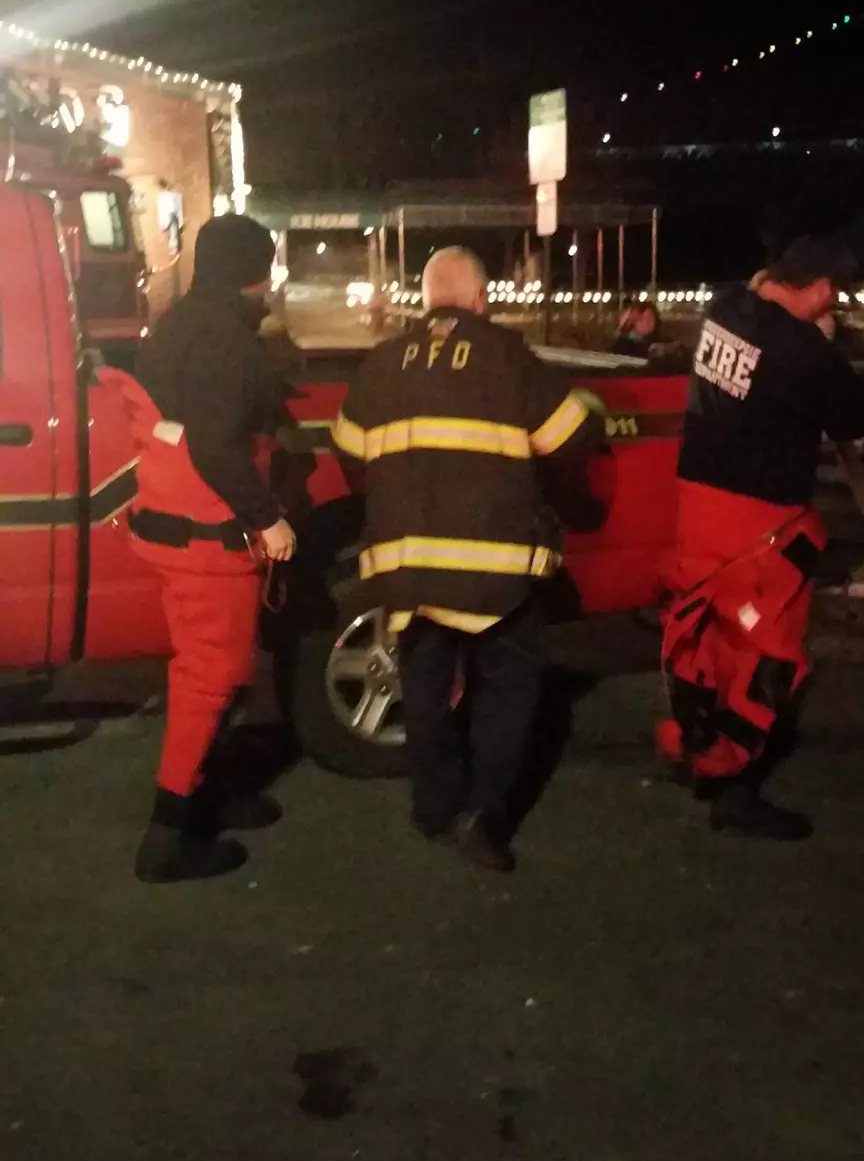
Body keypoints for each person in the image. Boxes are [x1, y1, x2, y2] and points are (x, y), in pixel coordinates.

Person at [332, 246, 604, 873]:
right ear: (481, 300)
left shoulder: (382, 363)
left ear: (426, 298)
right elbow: (571, 440)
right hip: (497, 573)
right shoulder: (510, 358)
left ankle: (432, 808)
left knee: (423, 691)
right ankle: (483, 816)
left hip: (412, 570)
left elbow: (348, 452)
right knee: (506, 695)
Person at [657, 235, 864, 840]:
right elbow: (860, 419)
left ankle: (695, 748)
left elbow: (754, 297)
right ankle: (736, 788)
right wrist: (826, 345)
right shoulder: (806, 351)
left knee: (700, 634)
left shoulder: (723, 306)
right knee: (766, 657)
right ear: (823, 291)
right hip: (761, 526)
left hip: (698, 506)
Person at [119, 214, 297, 884]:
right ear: (255, 271)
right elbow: (216, 443)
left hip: (170, 525)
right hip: (208, 535)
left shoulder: (178, 323)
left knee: (209, 670)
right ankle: (168, 837)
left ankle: (212, 795)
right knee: (210, 678)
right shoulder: (228, 341)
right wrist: (269, 516)